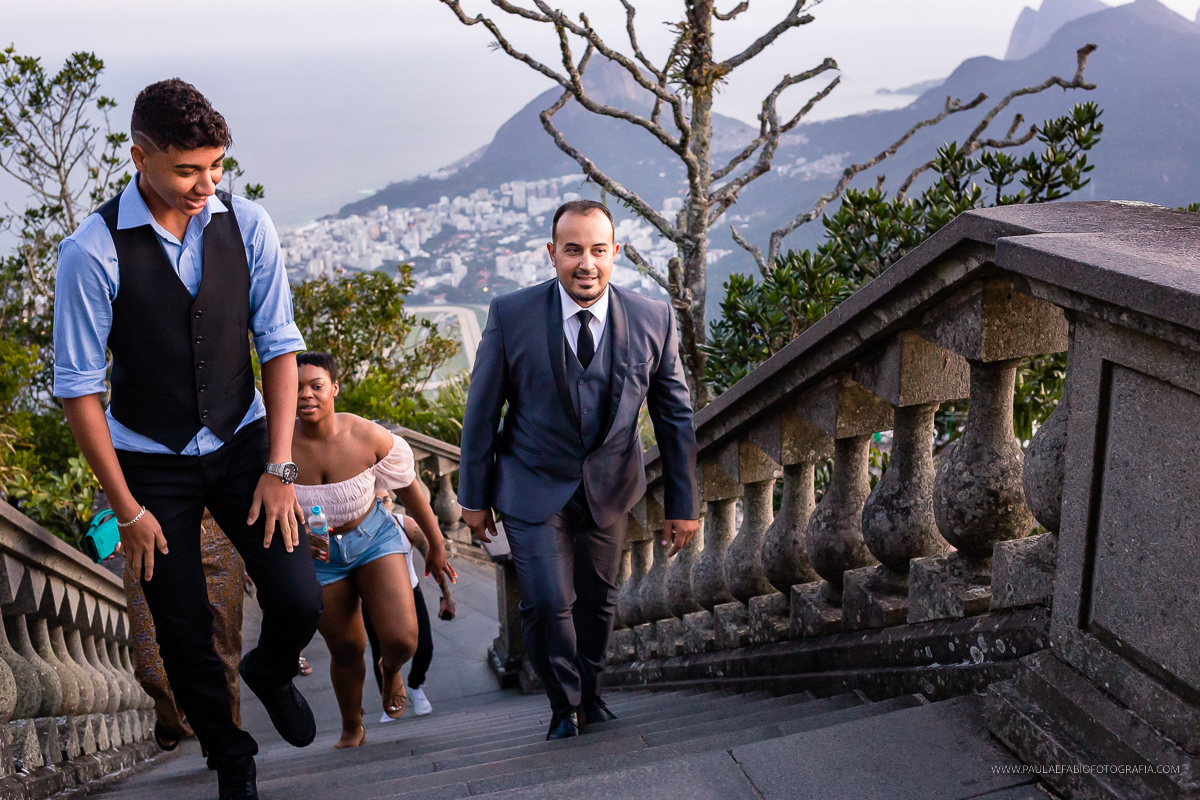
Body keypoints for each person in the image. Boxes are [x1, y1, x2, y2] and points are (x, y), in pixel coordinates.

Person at [54, 79, 322, 799]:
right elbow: (80, 390)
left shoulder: (249, 224)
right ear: (140, 156)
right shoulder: (90, 251)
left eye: (216, 166)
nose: (207, 184)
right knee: (182, 636)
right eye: (187, 170)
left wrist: (281, 465)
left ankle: (271, 669)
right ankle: (231, 759)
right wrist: (127, 509)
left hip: (243, 444)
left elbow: (279, 347)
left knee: (300, 599)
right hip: (149, 461)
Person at [458, 200, 699, 740]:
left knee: (598, 603)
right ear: (552, 254)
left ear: (615, 253)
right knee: (547, 602)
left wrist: (685, 505)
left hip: (610, 488)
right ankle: (563, 704)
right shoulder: (511, 314)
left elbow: (675, 416)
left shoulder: (653, 317)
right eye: (572, 250)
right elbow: (481, 410)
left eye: (597, 250)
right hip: (529, 482)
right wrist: (473, 496)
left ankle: (589, 694)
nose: (585, 263)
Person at [291, 352, 454, 749]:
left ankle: (391, 669)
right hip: (319, 556)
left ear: (334, 388)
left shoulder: (366, 436)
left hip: (373, 538)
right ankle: (352, 726)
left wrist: (437, 544)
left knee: (403, 639)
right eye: (296, 388)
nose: (306, 395)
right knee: (346, 647)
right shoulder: (275, 445)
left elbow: (410, 489)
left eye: (315, 385)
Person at [122, 510, 245, 752]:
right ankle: (177, 721)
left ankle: (229, 749)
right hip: (148, 533)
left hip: (215, 531)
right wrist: (125, 518)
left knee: (224, 654)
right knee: (152, 671)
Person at [365, 490, 443, 720]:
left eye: (386, 499)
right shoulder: (360, 533)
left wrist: (447, 596)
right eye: (376, 501)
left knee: (425, 646)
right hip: (374, 599)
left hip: (410, 591)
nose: (382, 505)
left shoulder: (405, 525)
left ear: (393, 501)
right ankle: (388, 699)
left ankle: (415, 686)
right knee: (380, 652)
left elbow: (434, 560)